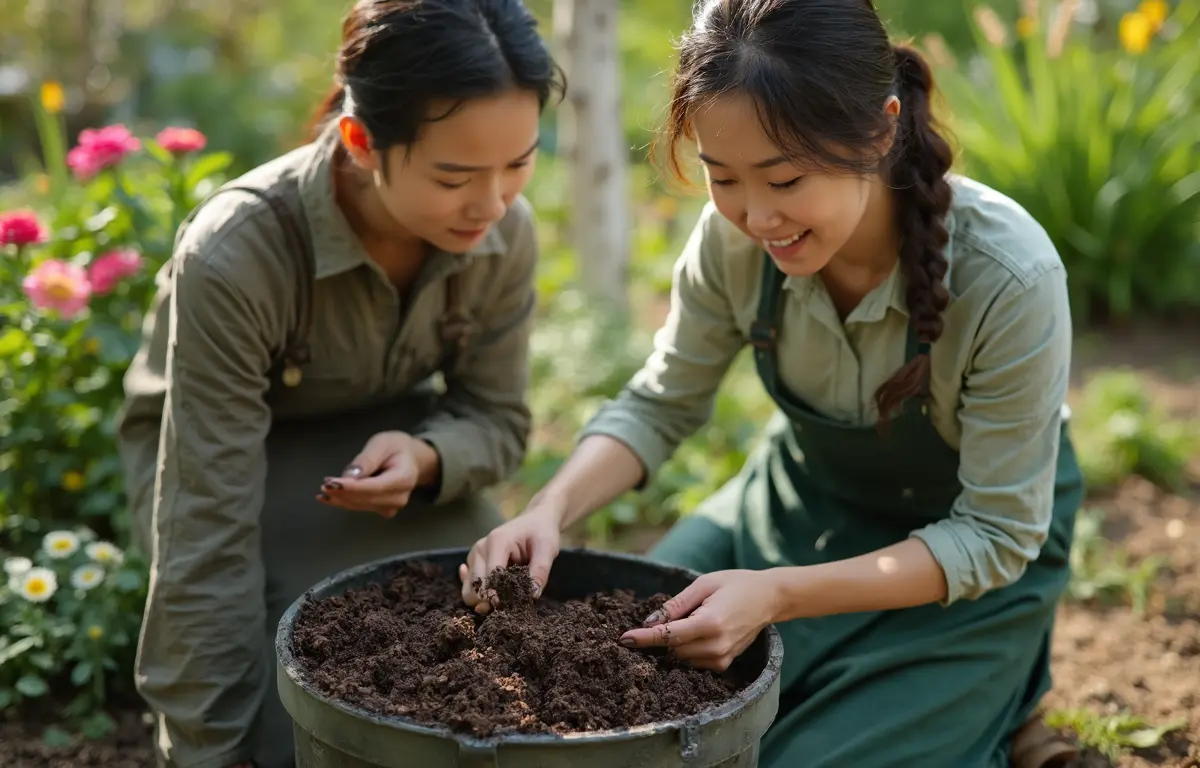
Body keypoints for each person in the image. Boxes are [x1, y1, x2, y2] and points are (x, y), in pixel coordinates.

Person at [460, 1, 1083, 766]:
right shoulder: (734, 244)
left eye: (785, 178)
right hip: (790, 516)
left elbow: (994, 534)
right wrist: (552, 507)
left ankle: (1003, 703)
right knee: (635, 714)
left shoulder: (1007, 278)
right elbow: (661, 402)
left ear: (882, 128)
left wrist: (779, 595)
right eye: (724, 178)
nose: (757, 216)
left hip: (957, 573)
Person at [116, 1, 563, 766]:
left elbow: (496, 419)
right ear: (362, 141)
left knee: (509, 654)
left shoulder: (501, 233)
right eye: (455, 175)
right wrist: (206, 750)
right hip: (225, 460)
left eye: (518, 163)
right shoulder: (238, 254)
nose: (492, 204)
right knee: (301, 729)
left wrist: (426, 458)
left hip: (392, 455)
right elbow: (204, 528)